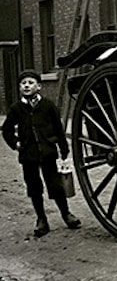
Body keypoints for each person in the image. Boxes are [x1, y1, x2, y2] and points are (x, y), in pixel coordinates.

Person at [2, 70, 81, 237]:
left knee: (55, 185)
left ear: (38, 86)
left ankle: (66, 214)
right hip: (28, 155)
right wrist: (16, 144)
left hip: (47, 152)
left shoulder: (48, 105)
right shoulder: (16, 108)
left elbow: (59, 129)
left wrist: (63, 148)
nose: (27, 86)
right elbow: (7, 129)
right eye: (23, 83)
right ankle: (41, 219)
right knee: (34, 187)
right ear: (19, 88)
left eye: (30, 83)